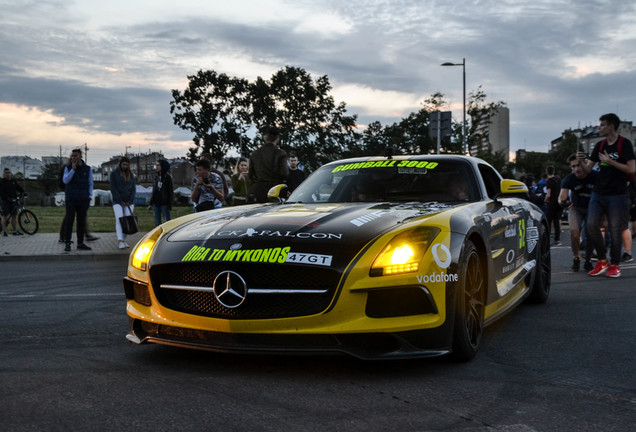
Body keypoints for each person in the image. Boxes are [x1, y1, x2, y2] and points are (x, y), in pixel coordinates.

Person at [583, 113, 636, 278]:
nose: (599, 128)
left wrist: (610, 161)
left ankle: (614, 265)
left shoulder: (624, 144)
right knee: (591, 225)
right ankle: (602, 260)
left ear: (611, 126)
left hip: (618, 194)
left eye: (602, 125)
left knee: (615, 230)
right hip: (599, 193)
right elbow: (587, 170)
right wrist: (581, 163)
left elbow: (632, 169)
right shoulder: (600, 145)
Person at [558, 154, 599, 272]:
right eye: (573, 166)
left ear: (586, 164)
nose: (577, 169)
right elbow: (561, 197)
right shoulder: (569, 179)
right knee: (575, 232)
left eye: (579, 165)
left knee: (591, 232)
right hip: (576, 208)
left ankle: (588, 260)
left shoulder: (595, 176)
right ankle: (576, 257)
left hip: (592, 208)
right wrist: (563, 202)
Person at [62, 148, 93, 251]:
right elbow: (65, 180)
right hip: (71, 199)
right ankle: (67, 243)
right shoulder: (68, 168)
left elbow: (90, 183)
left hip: (83, 199)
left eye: (76, 155)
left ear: (80, 157)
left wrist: (90, 196)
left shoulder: (87, 169)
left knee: (81, 221)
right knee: (70, 221)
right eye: (73, 156)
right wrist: (73, 170)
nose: (74, 157)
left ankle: (80, 243)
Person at [248, 126, 288, 203]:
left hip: (257, 191)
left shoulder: (255, 154)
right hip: (274, 190)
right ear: (277, 137)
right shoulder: (280, 154)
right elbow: (284, 173)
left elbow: (250, 175)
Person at [110, 156, 136, 249]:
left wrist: (130, 201)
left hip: (129, 202)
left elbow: (133, 188)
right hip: (117, 201)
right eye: (123, 164)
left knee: (128, 220)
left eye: (127, 165)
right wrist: (120, 201)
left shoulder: (131, 175)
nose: (125, 166)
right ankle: (120, 240)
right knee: (119, 219)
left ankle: (124, 240)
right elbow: (113, 188)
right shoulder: (114, 174)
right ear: (120, 164)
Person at [148, 159, 173, 226]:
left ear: (163, 166)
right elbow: (154, 190)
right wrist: (151, 203)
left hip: (164, 203)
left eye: (158, 165)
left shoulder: (168, 178)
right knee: (157, 223)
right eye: (156, 165)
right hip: (156, 203)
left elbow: (170, 192)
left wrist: (169, 205)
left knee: (167, 221)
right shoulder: (156, 177)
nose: (157, 167)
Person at [0, 168, 25, 236]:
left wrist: (23, 192)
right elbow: (2, 193)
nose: (8, 174)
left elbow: (19, 187)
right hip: (6, 201)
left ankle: (15, 231)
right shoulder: (2, 182)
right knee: (5, 216)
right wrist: (7, 198)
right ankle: (4, 232)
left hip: (14, 200)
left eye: (9, 172)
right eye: (6, 173)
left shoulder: (13, 181)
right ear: (4, 174)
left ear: (11, 173)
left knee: (14, 216)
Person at [544, 166, 562, 245]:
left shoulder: (549, 181)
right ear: (553, 171)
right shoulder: (558, 179)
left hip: (551, 204)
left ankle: (547, 240)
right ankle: (557, 240)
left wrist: (545, 200)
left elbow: (548, 194)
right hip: (558, 203)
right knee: (556, 222)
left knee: (548, 221)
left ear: (547, 172)